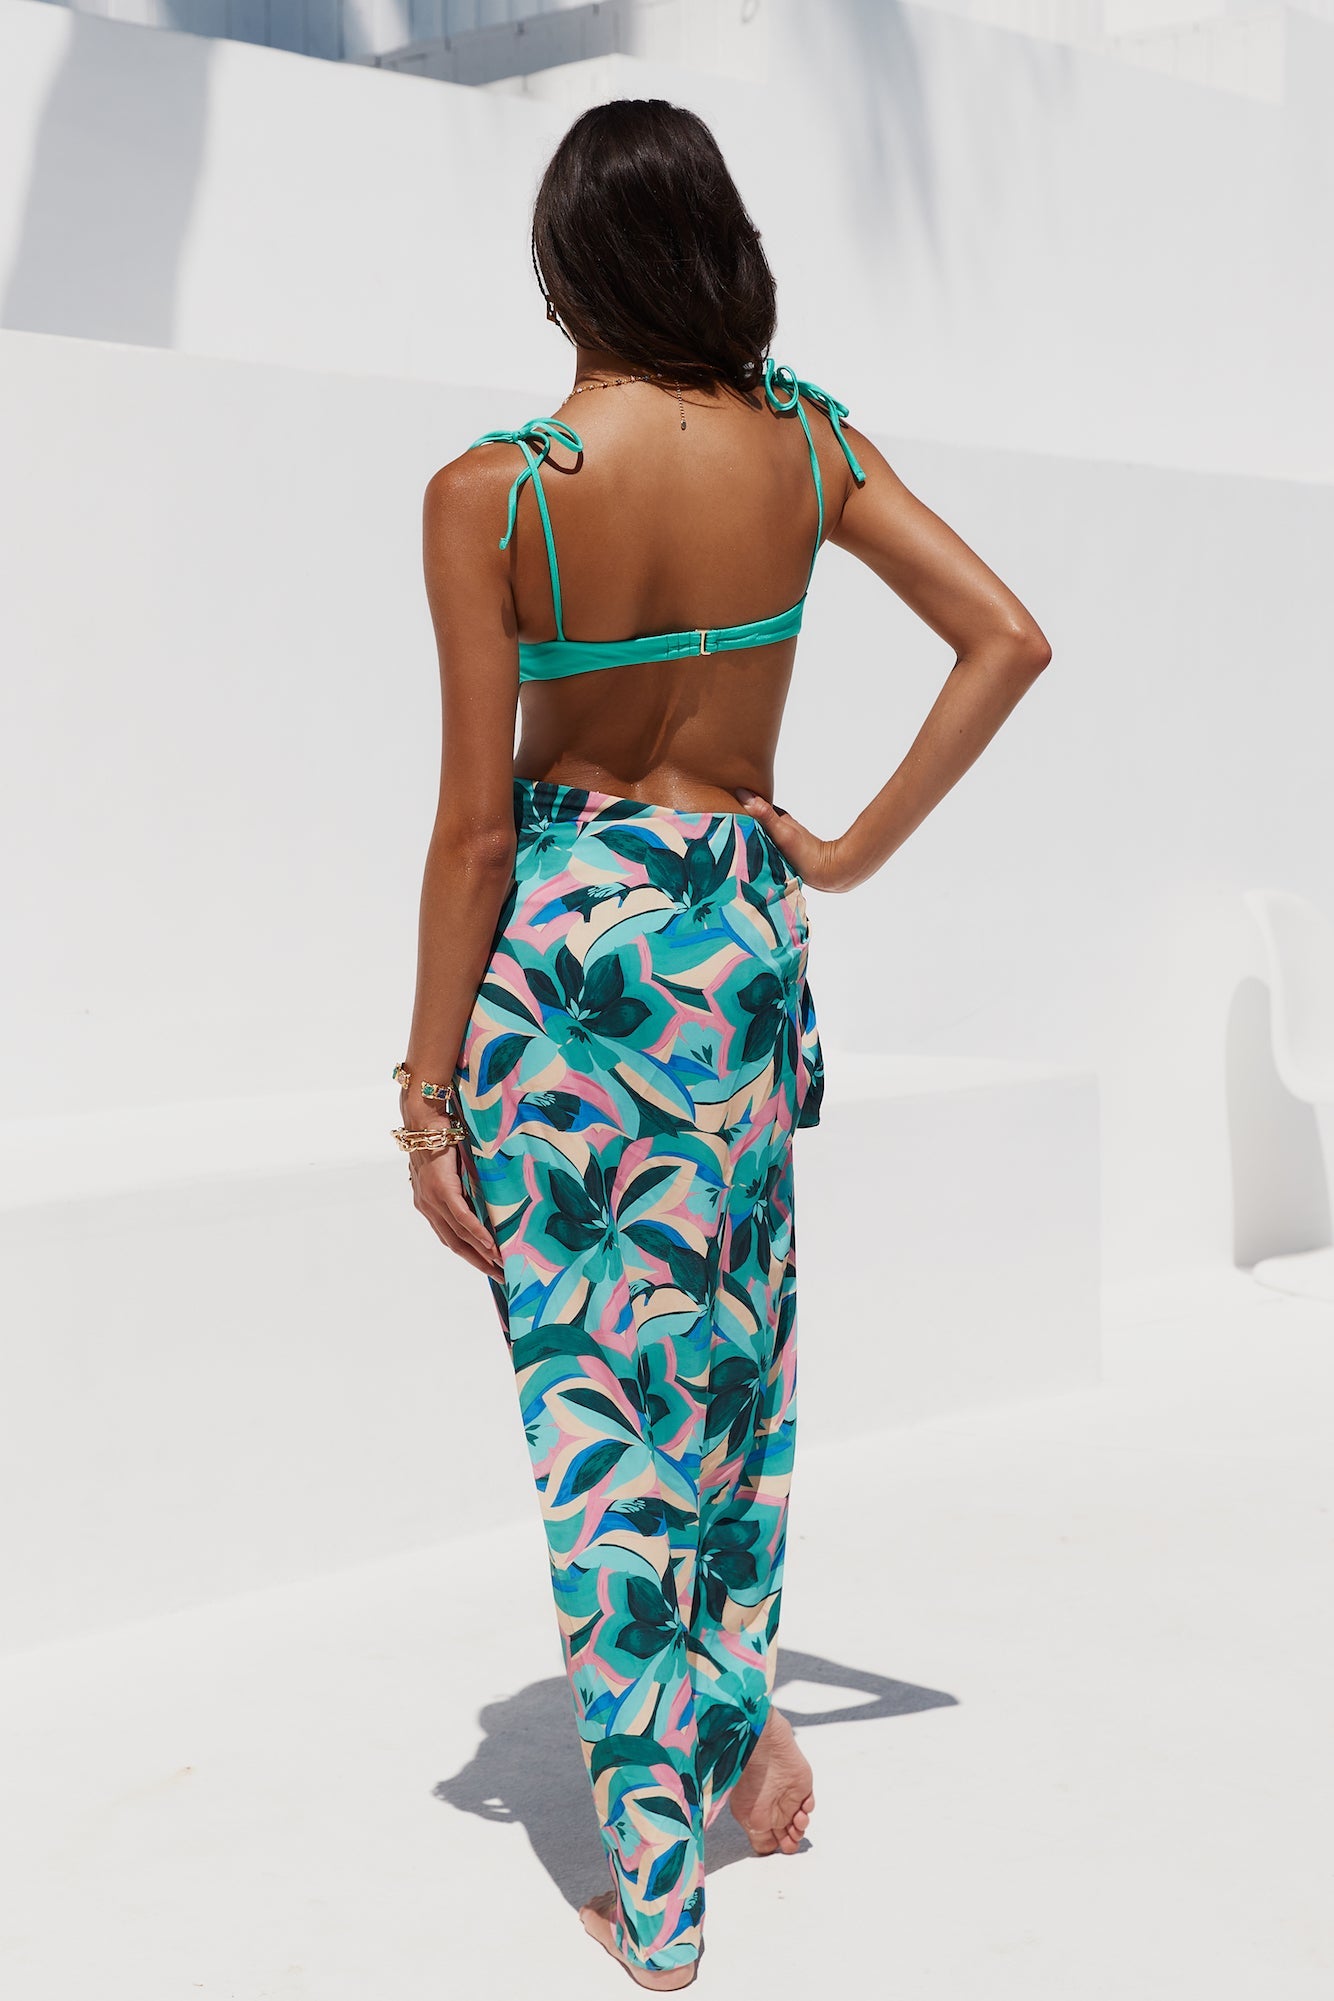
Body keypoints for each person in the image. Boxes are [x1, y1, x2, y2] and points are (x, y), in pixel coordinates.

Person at [394, 97, 1050, 1991]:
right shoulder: (805, 442)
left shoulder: (495, 491)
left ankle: (654, 1891)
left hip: (572, 983)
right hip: (739, 956)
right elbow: (1004, 636)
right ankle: (744, 1729)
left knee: (605, 1422)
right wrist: (838, 850)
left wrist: (424, 1096)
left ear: (561, 269)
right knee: (735, 1380)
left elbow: (474, 832)